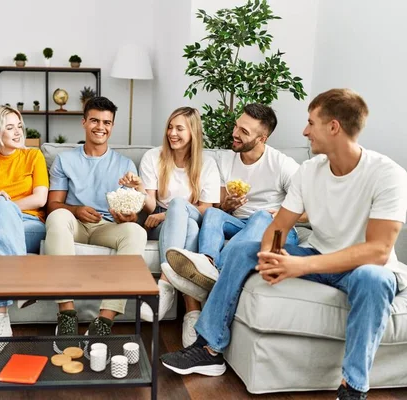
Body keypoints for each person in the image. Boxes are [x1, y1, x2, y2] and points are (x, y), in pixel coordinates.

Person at [160, 89, 407, 400]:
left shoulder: (388, 175)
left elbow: (378, 250)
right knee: (242, 249)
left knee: (374, 277)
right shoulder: (309, 171)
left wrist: (300, 265)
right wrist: (270, 253)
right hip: (317, 255)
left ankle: (353, 387)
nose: (304, 131)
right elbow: (277, 226)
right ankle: (209, 348)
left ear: (333, 127)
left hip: (364, 268)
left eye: (310, 122)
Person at [163, 103, 301, 346]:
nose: (235, 134)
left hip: (276, 229)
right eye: (237, 126)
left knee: (260, 217)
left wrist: (281, 214)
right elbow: (219, 207)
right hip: (238, 223)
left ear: (262, 138)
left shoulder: (282, 165)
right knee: (214, 215)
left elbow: (312, 208)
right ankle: (206, 263)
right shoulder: (225, 159)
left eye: (244, 132)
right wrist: (228, 205)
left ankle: (215, 273)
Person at [44, 96, 147, 346]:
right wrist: (75, 209)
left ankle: (104, 320)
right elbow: (52, 205)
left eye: (107, 122)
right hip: (75, 224)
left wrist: (129, 216)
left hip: (108, 226)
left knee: (136, 232)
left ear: (112, 126)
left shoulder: (124, 164)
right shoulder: (65, 160)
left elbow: (132, 212)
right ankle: (66, 314)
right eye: (94, 121)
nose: (100, 127)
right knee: (58, 216)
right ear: (84, 122)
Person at [120, 107, 219, 341]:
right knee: (190, 229)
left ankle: (164, 284)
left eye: (179, 128)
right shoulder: (153, 157)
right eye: (170, 127)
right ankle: (193, 313)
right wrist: (138, 189)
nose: (171, 133)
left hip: (189, 215)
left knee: (179, 208)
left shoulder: (207, 164)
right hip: (162, 222)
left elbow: (207, 208)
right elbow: (151, 205)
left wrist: (170, 212)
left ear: (193, 132)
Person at [0, 105, 49, 358]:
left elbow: (40, 199)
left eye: (19, 126)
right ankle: (21, 285)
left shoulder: (33, 156)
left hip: (29, 223)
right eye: (10, 127)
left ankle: (0, 320)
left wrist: (6, 206)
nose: (18, 132)